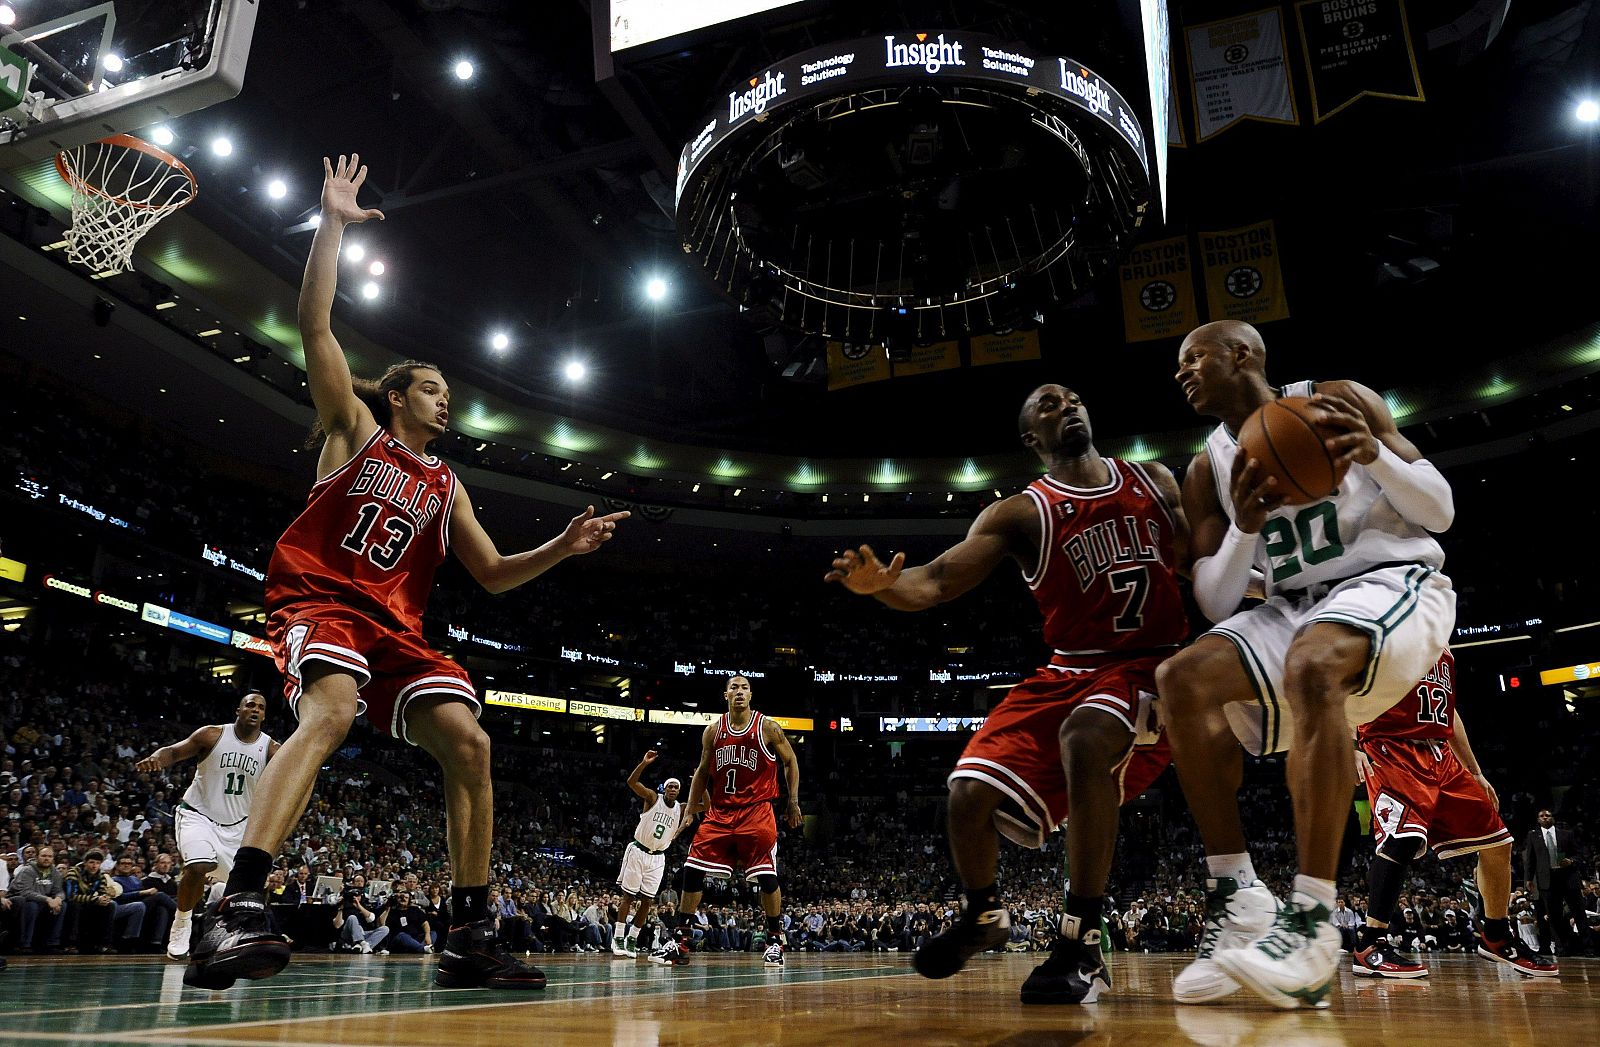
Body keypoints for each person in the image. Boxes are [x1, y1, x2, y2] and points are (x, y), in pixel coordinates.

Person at [184, 154, 629, 993]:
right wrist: (333, 225)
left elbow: (493, 573)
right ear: (398, 396)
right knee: (333, 711)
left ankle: (467, 929)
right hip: (322, 601)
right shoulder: (353, 427)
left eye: (449, 392)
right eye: (433, 389)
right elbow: (316, 326)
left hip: (396, 629)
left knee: (471, 741)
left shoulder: (447, 483)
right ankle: (240, 900)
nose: (446, 400)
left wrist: (561, 549)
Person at [826, 383, 1188, 1004]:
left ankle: (1079, 937)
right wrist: (882, 587)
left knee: (1086, 737)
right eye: (1048, 405)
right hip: (1067, 669)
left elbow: (1201, 562)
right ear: (1031, 438)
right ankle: (983, 915)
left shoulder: (1154, 480)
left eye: (1074, 397)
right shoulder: (1020, 513)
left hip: (1149, 667)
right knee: (966, 794)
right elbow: (936, 581)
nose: (1068, 405)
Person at [1161, 320, 1456, 1008]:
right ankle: (1240, 900)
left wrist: (1375, 457)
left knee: (1311, 660)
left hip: (1392, 580)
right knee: (1182, 681)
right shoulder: (1206, 466)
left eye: (1193, 357)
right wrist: (1246, 525)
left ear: (1242, 353)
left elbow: (1439, 511)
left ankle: (1314, 926)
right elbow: (1215, 598)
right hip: (1295, 605)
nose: (1182, 372)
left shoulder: (1338, 399)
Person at [1353, 649, 1555, 979]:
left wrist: (1474, 771)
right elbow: (1343, 687)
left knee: (1498, 843)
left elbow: (1449, 714)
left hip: (1441, 755)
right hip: (1390, 747)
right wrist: (1351, 744)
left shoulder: (1441, 640)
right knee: (1402, 839)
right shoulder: (1383, 622)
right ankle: (1370, 944)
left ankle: (1496, 935)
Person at [135, 692, 277, 960]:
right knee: (199, 866)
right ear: (239, 710)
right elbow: (175, 751)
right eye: (250, 705)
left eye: (260, 707)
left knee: (246, 889)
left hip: (237, 826)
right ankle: (182, 922)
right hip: (197, 815)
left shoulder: (271, 749)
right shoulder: (212, 735)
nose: (255, 710)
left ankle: (229, 936)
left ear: (265, 715)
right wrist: (157, 757)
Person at [679, 676, 801, 967]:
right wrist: (690, 809)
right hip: (720, 812)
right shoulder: (713, 731)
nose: (739, 691)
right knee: (692, 868)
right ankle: (680, 940)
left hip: (756, 810)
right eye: (734, 687)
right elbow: (702, 772)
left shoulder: (767, 727)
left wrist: (792, 801)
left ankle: (774, 940)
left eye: (744, 687)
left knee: (766, 876)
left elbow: (791, 761)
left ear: (750, 695)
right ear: (725, 695)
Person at [612, 750, 684, 957]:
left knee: (647, 901)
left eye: (676, 787)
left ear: (679, 791)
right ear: (665, 788)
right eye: (670, 786)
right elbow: (631, 782)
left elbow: (705, 805)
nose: (672, 789)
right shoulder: (653, 797)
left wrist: (701, 779)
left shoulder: (680, 808)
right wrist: (643, 763)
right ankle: (617, 937)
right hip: (638, 851)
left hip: (658, 857)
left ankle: (632, 938)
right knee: (628, 896)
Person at [1524, 809, 1586, 956]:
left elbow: (1579, 854)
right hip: (1547, 880)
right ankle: (1561, 948)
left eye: (1548, 815)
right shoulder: (1533, 835)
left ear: (1553, 818)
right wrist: (1528, 879)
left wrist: (1570, 861)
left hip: (1568, 877)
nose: (1545, 817)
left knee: (1579, 914)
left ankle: (1588, 947)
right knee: (1554, 917)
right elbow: (1530, 860)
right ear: (1538, 820)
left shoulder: (1567, 834)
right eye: (1542, 816)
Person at [11, 845, 67, 951]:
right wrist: (48, 899)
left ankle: (52, 943)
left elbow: (59, 890)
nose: (47, 858)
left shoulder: (54, 872)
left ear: (53, 859)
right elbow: (25, 892)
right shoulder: (27, 870)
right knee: (32, 906)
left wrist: (58, 899)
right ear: (37, 857)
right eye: (44, 856)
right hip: (21, 901)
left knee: (62, 905)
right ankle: (25, 944)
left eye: (50, 856)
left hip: (42, 901)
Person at [384, 890, 433, 954]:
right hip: (399, 939)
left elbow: (425, 923)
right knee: (402, 935)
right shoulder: (392, 911)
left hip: (415, 938)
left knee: (432, 933)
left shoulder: (415, 909)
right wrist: (388, 907)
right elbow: (382, 924)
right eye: (401, 897)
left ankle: (417, 948)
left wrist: (427, 935)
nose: (403, 899)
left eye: (406, 898)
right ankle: (422, 948)